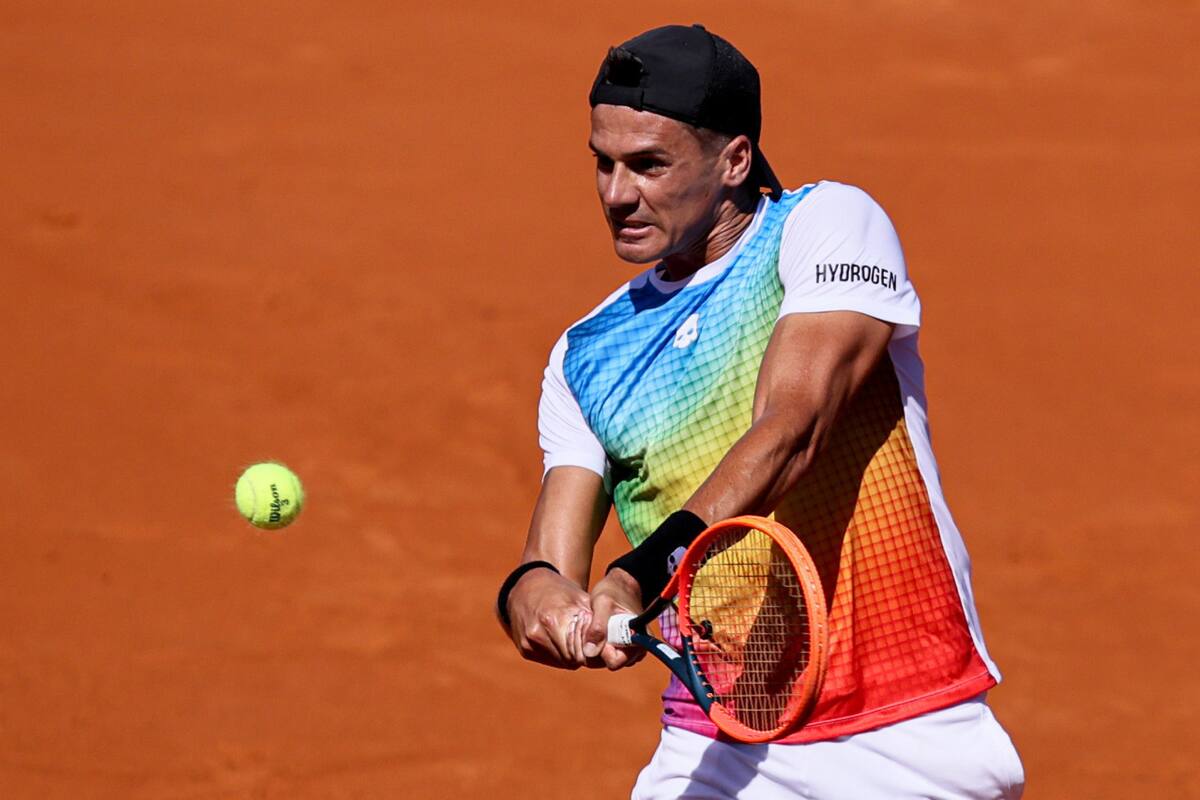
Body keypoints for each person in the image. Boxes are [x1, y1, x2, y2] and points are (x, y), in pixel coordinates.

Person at [495, 23, 1025, 800]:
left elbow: (792, 427)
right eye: (603, 163)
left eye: (648, 165)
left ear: (735, 160)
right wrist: (538, 603)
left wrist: (644, 572)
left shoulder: (825, 228)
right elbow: (544, 563)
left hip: (906, 734)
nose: (615, 194)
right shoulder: (587, 355)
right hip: (718, 740)